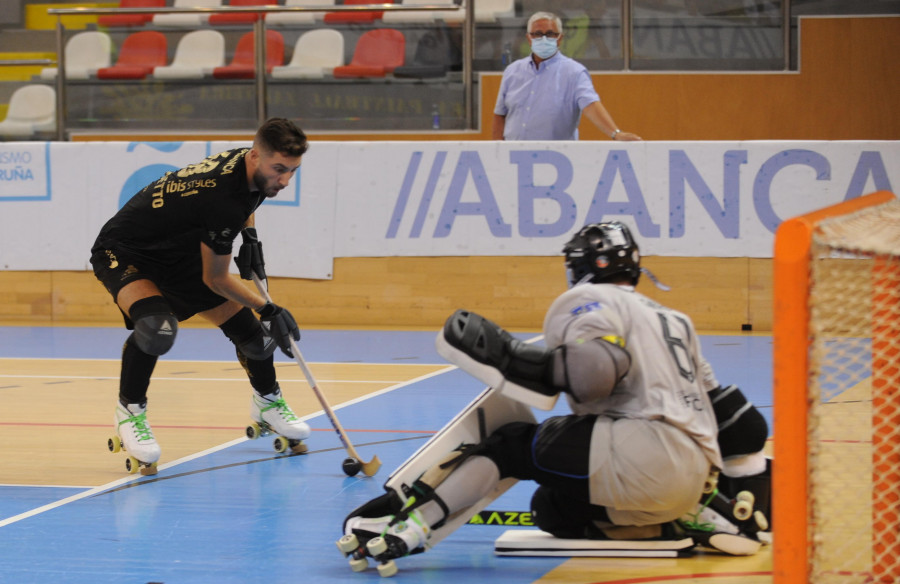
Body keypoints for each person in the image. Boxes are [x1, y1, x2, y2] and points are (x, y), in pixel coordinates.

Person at [341, 221, 771, 567]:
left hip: (643, 450)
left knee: (511, 444)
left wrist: (522, 361)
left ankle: (412, 526)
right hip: (691, 476)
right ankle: (688, 517)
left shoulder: (588, 297)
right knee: (552, 509)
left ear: (586, 264)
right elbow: (734, 416)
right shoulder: (674, 319)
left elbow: (594, 376)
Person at [91, 117, 311, 473]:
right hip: (128, 251)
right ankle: (129, 412)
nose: (284, 180)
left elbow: (246, 204)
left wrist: (250, 238)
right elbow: (216, 279)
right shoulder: (222, 196)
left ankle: (268, 404)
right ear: (257, 157)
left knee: (256, 341)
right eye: (279, 169)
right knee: (157, 328)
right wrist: (268, 307)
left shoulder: (250, 166)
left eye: (292, 171)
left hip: (182, 253)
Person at [492, 11, 642, 142]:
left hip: (556, 158)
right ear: (528, 38)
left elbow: (590, 104)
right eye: (537, 34)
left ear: (560, 38)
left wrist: (615, 133)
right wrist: (497, 151)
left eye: (550, 34)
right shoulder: (512, 71)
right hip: (513, 158)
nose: (543, 39)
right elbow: (500, 115)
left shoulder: (574, 72)